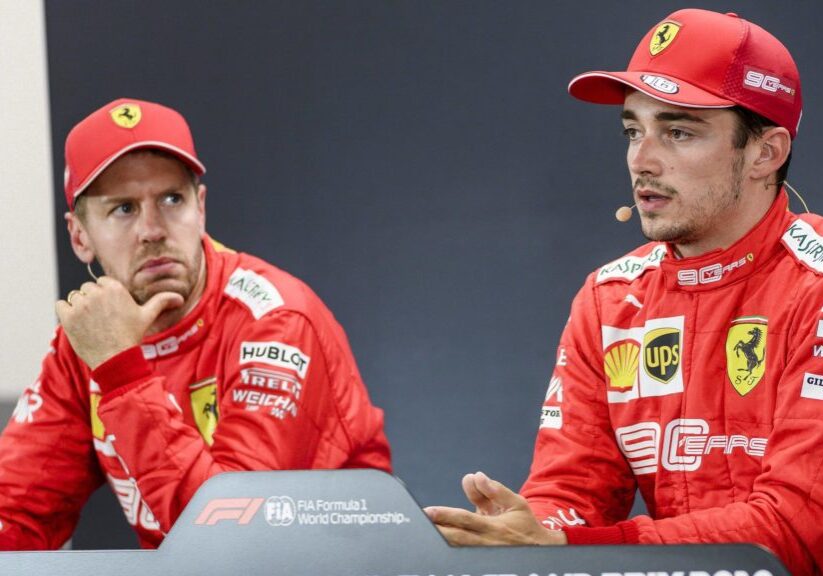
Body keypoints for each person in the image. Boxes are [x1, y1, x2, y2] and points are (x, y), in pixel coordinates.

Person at [425, 9, 822, 574]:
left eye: (678, 131)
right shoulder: (610, 299)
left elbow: (800, 529)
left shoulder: (816, 286)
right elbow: (572, 496)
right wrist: (532, 531)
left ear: (766, 153)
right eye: (633, 130)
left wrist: (574, 550)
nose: (642, 158)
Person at [0, 98, 392, 549]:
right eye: (123, 209)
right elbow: (18, 512)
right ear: (79, 237)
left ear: (200, 208)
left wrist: (121, 374)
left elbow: (232, 543)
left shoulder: (275, 320)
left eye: (172, 199)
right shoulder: (88, 342)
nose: (152, 229)